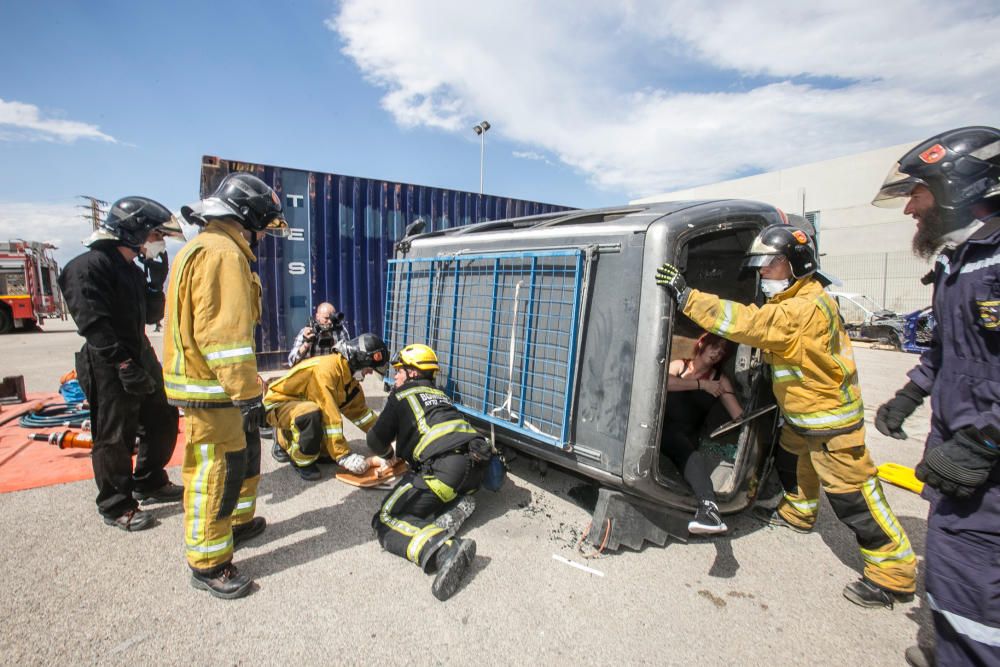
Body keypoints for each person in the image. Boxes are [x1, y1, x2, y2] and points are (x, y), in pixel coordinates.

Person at [655, 223, 916, 608]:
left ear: (794, 264)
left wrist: (687, 295)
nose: (762, 273)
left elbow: (747, 323)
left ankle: (892, 574)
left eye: (769, 266)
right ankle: (798, 513)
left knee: (853, 496)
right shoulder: (799, 299)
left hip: (829, 421)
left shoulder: (801, 310)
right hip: (804, 416)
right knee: (795, 462)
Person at [871, 126, 1000, 667]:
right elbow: (949, 353)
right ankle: (951, 648)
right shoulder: (959, 262)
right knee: (952, 569)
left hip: (984, 456)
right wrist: (908, 396)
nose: (910, 211)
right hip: (960, 445)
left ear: (955, 187)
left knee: (973, 581)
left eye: (917, 194)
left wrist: (985, 440)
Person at [163, 172, 288, 599]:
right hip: (213, 389)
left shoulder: (203, 247)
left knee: (239, 459)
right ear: (249, 216)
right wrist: (247, 394)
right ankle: (209, 563)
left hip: (211, 385)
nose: (263, 236)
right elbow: (225, 338)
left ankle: (236, 524)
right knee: (216, 471)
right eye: (263, 225)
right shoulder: (223, 255)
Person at [57, 197, 183, 531]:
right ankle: (116, 504)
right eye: (156, 233)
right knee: (115, 434)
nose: (160, 240)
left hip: (139, 351)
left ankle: (149, 480)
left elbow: (153, 315)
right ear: (135, 230)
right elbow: (92, 323)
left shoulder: (130, 269)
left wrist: (157, 282)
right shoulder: (87, 266)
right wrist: (122, 363)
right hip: (108, 359)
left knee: (163, 417)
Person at [366, 343, 492, 601]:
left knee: (387, 517)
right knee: (433, 492)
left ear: (412, 373)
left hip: (445, 472)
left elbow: (375, 442)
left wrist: (389, 457)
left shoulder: (401, 395)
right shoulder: (441, 396)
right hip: (477, 469)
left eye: (400, 370)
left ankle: (446, 550)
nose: (396, 375)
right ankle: (455, 505)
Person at [265, 333, 388, 481]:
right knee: (310, 413)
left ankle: (314, 448)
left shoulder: (348, 379)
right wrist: (344, 455)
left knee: (324, 448)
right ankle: (295, 453)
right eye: (369, 368)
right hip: (279, 404)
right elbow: (328, 413)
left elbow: (361, 413)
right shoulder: (326, 371)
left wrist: (386, 436)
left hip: (303, 406)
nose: (369, 373)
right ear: (359, 361)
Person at [664, 331, 744, 535]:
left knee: (688, 451)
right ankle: (710, 509)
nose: (718, 352)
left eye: (723, 350)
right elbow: (665, 383)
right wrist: (701, 385)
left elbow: (738, 415)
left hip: (686, 436)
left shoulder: (720, 380)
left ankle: (709, 509)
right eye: (714, 345)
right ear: (701, 344)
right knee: (673, 437)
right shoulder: (680, 365)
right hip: (660, 428)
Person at [287, 302, 351, 367]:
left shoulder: (340, 331)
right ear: (317, 316)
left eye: (332, 318)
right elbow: (292, 362)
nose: (330, 322)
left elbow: (349, 357)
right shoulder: (308, 331)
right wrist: (306, 343)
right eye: (326, 318)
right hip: (313, 373)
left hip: (333, 372)